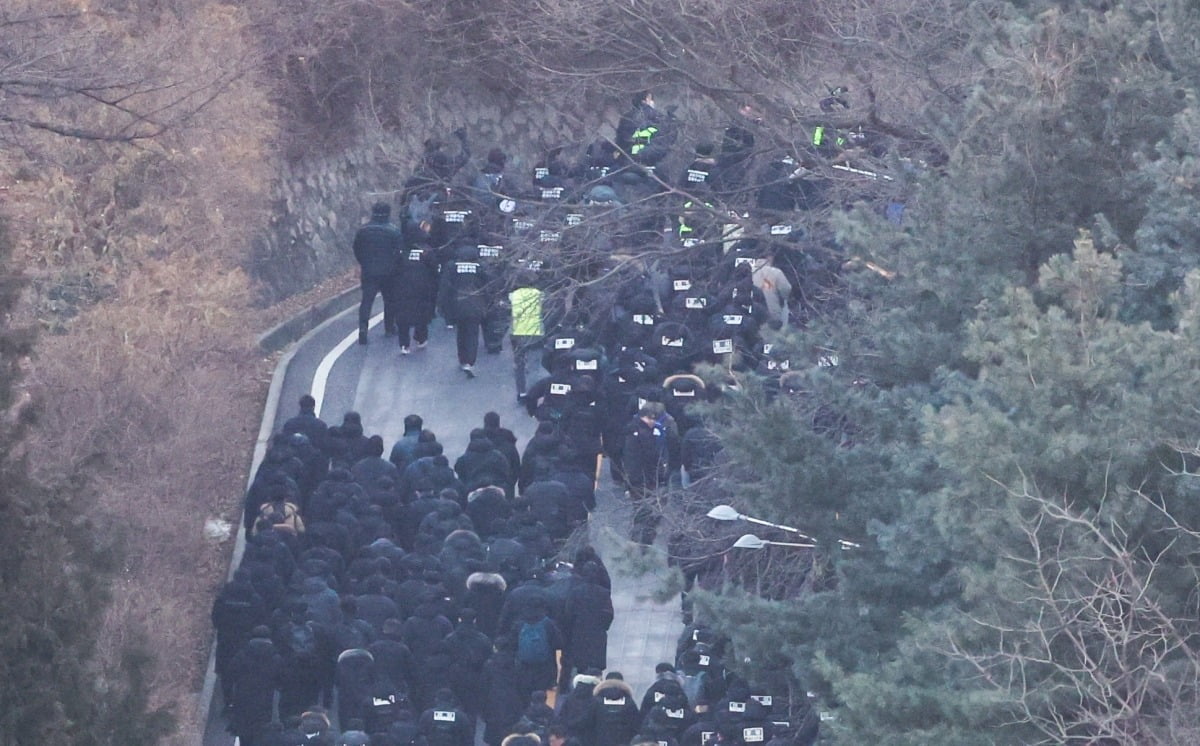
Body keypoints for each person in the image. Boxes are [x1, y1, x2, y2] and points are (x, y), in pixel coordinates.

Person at [621, 402, 679, 545]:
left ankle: (639, 539)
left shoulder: (639, 431)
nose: (653, 422)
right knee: (645, 512)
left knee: (644, 511)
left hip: (647, 478)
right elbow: (633, 461)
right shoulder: (637, 434)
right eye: (650, 419)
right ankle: (642, 541)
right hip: (643, 480)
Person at [353, 201, 404, 345]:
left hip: (369, 271)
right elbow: (400, 252)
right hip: (389, 272)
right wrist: (396, 266)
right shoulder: (393, 231)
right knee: (389, 300)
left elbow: (357, 249)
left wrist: (364, 263)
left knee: (366, 301)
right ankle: (389, 327)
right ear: (388, 213)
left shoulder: (363, 231)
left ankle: (363, 329)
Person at [510, 273, 546, 399]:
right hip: (535, 333)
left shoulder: (513, 296)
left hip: (517, 334)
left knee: (519, 363)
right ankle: (533, 393)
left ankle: (521, 392)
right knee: (534, 365)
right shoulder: (539, 295)